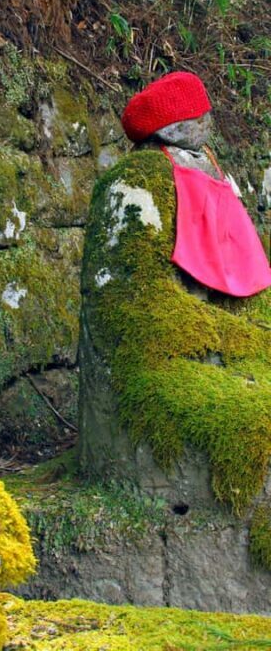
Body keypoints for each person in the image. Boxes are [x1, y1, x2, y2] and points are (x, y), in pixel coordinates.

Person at [78, 72, 271, 519]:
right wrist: (239, 338)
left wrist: (256, 333)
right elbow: (137, 309)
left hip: (221, 348)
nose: (204, 123)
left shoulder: (215, 173)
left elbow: (248, 272)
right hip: (161, 365)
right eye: (195, 118)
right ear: (172, 127)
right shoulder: (137, 183)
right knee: (250, 419)